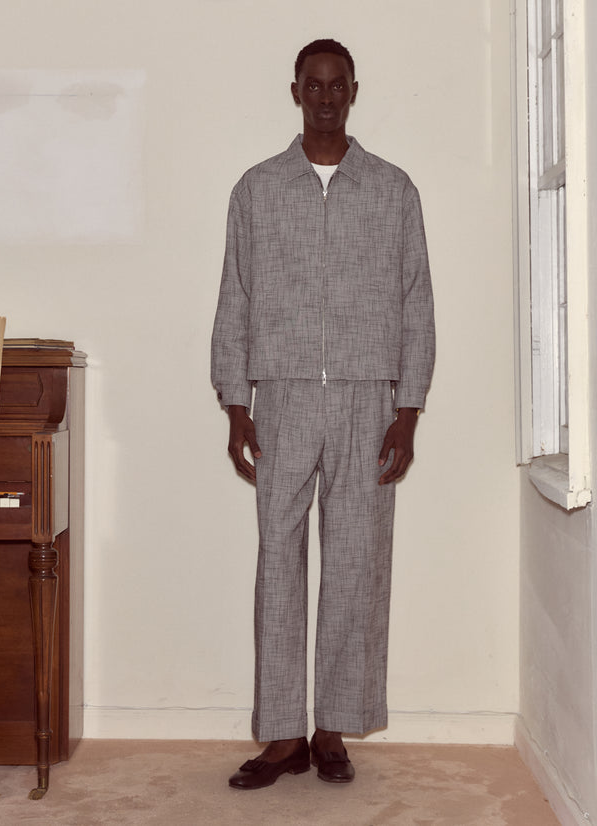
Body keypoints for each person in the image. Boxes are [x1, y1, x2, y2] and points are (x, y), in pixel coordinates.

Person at [211, 38, 435, 790]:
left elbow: (416, 302)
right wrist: (236, 403)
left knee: (355, 565)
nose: (327, 96)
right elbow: (235, 295)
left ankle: (332, 726)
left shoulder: (393, 190)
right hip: (284, 396)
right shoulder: (258, 189)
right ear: (297, 91)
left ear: (355, 91)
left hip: (369, 398)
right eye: (315, 84)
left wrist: (408, 408)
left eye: (339, 85)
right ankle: (282, 736)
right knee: (280, 561)